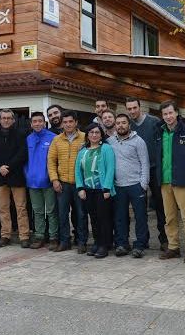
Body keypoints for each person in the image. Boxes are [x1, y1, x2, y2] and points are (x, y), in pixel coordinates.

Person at [156, 101, 185, 264]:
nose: (168, 116)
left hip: (183, 181)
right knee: (170, 217)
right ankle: (173, 247)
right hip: (165, 181)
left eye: (170, 113)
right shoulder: (160, 132)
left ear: (176, 113)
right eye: (165, 114)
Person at [126, 99, 168, 250]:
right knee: (140, 207)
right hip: (137, 171)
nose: (132, 111)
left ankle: (165, 239)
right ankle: (143, 239)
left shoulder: (154, 122)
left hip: (155, 168)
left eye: (134, 108)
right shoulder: (128, 125)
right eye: (129, 109)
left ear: (140, 107)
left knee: (160, 205)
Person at [107, 114, 150, 258]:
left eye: (123, 123)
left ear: (129, 125)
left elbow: (145, 163)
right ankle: (122, 244)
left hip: (136, 185)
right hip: (118, 186)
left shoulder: (139, 141)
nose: (120, 125)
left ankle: (140, 245)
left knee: (140, 216)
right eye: (118, 123)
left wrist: (143, 184)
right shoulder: (110, 142)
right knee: (120, 217)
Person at [0, 109, 30, 248]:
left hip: (16, 176)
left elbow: (22, 154)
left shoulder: (21, 134)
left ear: (13, 120)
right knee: (3, 208)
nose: (6, 120)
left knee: (21, 208)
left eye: (8, 118)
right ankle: (5, 235)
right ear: (0, 120)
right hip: (1, 177)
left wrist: (9, 167)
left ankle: (24, 236)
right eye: (3, 118)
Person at [48, 110, 87, 253]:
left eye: (71, 121)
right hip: (62, 182)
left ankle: (82, 241)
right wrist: (54, 179)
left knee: (81, 214)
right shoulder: (57, 140)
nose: (68, 124)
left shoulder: (84, 137)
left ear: (76, 122)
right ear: (62, 124)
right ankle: (65, 241)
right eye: (65, 122)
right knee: (62, 214)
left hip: (80, 183)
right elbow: (51, 161)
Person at [76, 123, 116, 259]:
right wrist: (80, 187)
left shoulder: (106, 148)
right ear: (87, 135)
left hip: (102, 190)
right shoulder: (82, 151)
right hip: (88, 190)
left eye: (97, 132)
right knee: (93, 218)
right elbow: (78, 171)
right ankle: (97, 243)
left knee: (103, 218)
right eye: (91, 132)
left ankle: (104, 245)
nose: (94, 135)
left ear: (101, 134)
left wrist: (107, 187)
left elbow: (111, 169)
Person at [25, 112, 58, 250]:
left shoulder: (53, 138)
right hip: (32, 181)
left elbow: (56, 160)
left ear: (44, 123)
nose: (37, 124)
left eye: (40, 121)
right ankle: (39, 236)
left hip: (48, 180)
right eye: (35, 121)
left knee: (51, 210)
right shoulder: (28, 139)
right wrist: (27, 175)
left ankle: (53, 237)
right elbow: (24, 159)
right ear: (31, 124)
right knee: (37, 211)